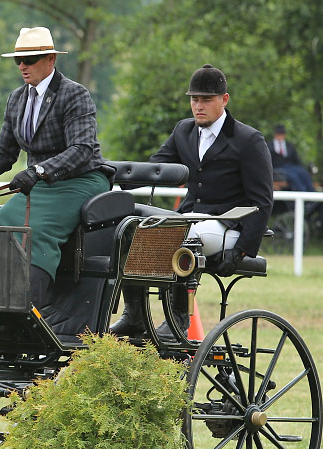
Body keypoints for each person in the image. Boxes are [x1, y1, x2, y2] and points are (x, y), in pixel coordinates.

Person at [110, 64, 273, 339]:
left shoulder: (248, 140)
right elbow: (156, 168)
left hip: (228, 226)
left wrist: (243, 249)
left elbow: (262, 201)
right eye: (194, 99)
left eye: (206, 100)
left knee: (184, 235)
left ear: (224, 99)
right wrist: (108, 175)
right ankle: (135, 315)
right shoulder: (183, 131)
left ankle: (177, 322)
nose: (198, 106)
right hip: (191, 218)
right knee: (132, 227)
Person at [0, 26, 111, 310]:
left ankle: (32, 307)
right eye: (18, 61)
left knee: (32, 230)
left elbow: (82, 149)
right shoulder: (17, 98)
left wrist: (39, 171)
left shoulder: (74, 94)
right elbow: (3, 153)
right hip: (41, 184)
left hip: (81, 180)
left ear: (51, 59)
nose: (22, 66)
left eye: (29, 60)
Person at [269, 124, 313, 192]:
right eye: (279, 134)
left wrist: (302, 167)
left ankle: (312, 193)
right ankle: (301, 193)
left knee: (303, 173)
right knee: (293, 176)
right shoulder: (269, 146)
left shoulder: (289, 146)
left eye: (282, 134)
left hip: (291, 166)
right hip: (278, 168)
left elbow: (296, 159)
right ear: (275, 134)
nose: (280, 136)